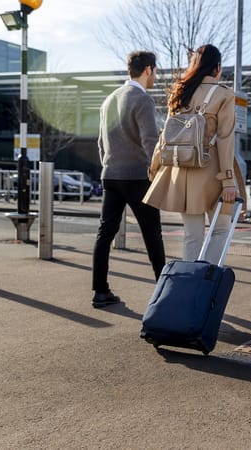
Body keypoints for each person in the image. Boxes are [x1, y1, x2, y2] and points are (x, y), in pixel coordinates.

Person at [145, 44, 245, 265]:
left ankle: (189, 288)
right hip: (211, 172)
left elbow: (165, 136)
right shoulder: (223, 94)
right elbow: (226, 139)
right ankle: (205, 281)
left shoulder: (179, 92)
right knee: (220, 230)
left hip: (180, 172)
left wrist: (154, 168)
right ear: (217, 67)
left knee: (192, 236)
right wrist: (229, 181)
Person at [90, 50, 166, 309]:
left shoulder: (109, 100)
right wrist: (158, 172)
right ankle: (165, 294)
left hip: (110, 175)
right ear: (148, 70)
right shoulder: (142, 100)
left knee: (105, 233)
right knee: (152, 234)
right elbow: (150, 141)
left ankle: (100, 291)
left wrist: (109, 166)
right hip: (137, 177)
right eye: (156, 71)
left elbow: (101, 143)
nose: (156, 75)